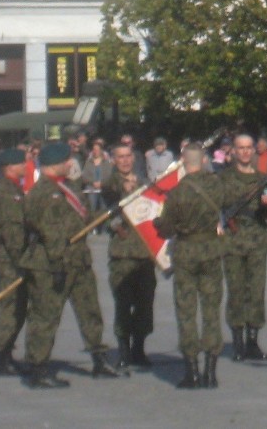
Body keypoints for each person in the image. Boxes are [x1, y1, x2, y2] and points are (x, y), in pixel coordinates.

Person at [21, 141, 120, 388]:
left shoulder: (68, 188)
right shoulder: (41, 192)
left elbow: (84, 217)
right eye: (67, 160)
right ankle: (38, 368)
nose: (70, 164)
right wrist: (57, 262)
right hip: (51, 265)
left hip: (78, 261)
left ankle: (99, 358)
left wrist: (112, 218)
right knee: (45, 316)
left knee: (90, 310)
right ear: (56, 163)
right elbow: (48, 230)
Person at [154, 143, 225, 389]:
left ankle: (192, 371)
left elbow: (166, 229)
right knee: (211, 310)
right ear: (204, 160)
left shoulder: (178, 192)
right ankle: (212, 370)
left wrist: (157, 223)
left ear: (183, 162)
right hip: (211, 250)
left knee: (186, 311)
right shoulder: (217, 185)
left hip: (186, 252)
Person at [220, 134, 267, 362]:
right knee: (235, 292)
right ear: (233, 151)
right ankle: (237, 342)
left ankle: (252, 341)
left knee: (256, 291)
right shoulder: (223, 179)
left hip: (256, 241)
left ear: (254, 150)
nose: (244, 152)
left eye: (248, 148)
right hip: (233, 243)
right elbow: (215, 207)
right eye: (240, 148)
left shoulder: (263, 179)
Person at [101, 143, 157, 373]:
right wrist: (125, 189)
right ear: (114, 160)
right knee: (123, 304)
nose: (124, 161)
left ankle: (139, 348)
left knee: (144, 304)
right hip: (122, 253)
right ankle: (123, 350)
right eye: (120, 157)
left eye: (127, 157)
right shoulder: (110, 183)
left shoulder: (144, 183)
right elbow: (109, 204)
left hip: (144, 253)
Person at [0, 148, 29, 376]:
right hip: (9, 260)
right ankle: (2, 356)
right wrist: (23, 260)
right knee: (10, 308)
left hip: (13, 258)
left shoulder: (14, 190)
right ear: (11, 166)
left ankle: (7, 353)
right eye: (22, 163)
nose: (25, 166)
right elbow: (12, 233)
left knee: (18, 307)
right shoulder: (6, 192)